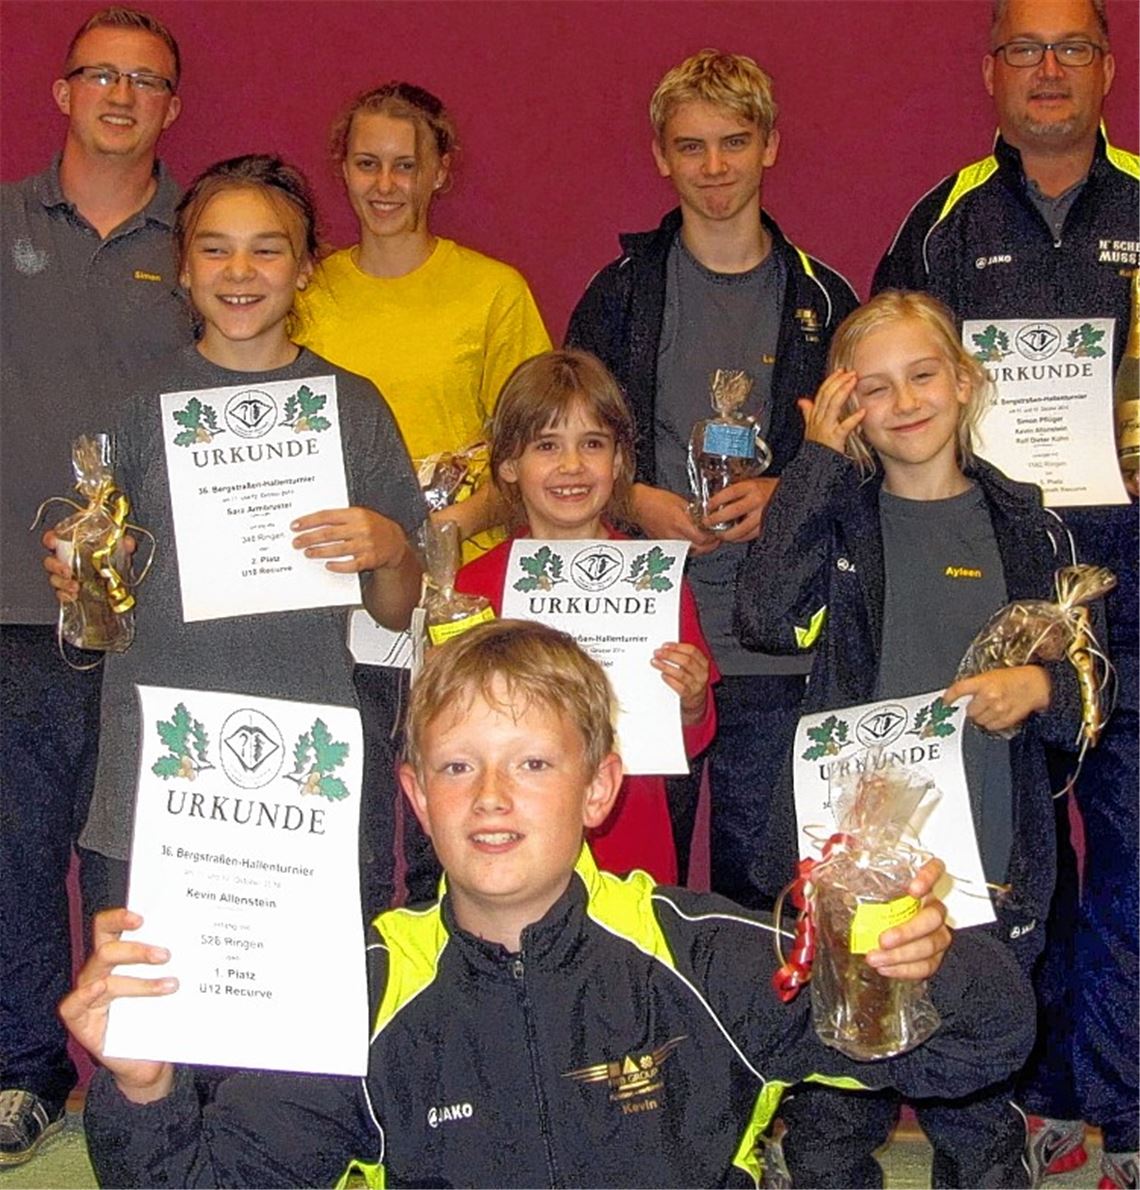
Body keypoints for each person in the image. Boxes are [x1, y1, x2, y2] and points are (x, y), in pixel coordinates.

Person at [63, 619, 1041, 1188]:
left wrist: (938, 957)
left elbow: (975, 1049)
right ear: (415, 796)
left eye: (532, 762)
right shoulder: (357, 997)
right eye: (459, 765)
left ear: (600, 788)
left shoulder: (704, 955)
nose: (492, 795)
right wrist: (141, 1087)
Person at [872, 3, 1138, 1182]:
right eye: (1023, 49)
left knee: (1134, 864)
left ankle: (1123, 1115)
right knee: (1019, 865)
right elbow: (881, 379)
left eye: (1071, 47)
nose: (1048, 70)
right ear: (989, 73)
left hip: (1133, 594)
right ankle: (1028, 1095)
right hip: (986, 594)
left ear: (1107, 67)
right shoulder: (940, 223)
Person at [735, 290, 1084, 1187]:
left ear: (965, 382)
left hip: (986, 863)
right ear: (851, 409)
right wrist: (815, 460)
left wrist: (1042, 684)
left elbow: (1095, 687)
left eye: (923, 375)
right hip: (849, 868)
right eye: (875, 389)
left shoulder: (1031, 527)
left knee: (976, 1117)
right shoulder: (840, 518)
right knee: (832, 1117)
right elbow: (767, 615)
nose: (906, 401)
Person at [41, 154, 424, 962]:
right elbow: (99, 612)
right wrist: (83, 581)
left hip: (301, 764)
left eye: (267, 248)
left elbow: (396, 608)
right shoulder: (133, 407)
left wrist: (390, 546)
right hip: (157, 766)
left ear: (306, 266)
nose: (239, 271)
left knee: (290, 1050)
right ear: (182, 268)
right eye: (215, 249)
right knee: (150, 1042)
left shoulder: (350, 408)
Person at [566, 49, 858, 896]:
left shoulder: (826, 301)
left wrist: (786, 492)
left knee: (764, 893)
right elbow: (565, 445)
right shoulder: (618, 294)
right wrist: (633, 497)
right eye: (691, 147)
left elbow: (865, 463)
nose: (715, 166)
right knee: (625, 888)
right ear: (661, 156)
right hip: (644, 641)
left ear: (770, 145)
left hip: (776, 646)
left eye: (735, 142)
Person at [0, 6, 190, 1165]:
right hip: (15, 611)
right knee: (15, 852)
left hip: (166, 622)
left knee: (144, 861)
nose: (122, 94)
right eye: (101, 75)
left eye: (148, 80)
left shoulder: (209, 231)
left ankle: (142, 1076)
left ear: (172, 106)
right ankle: (20, 1072)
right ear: (63, 92)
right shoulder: (4, 222)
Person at [294, 81, 552, 904]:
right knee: (356, 830)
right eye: (367, 163)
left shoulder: (493, 292)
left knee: (463, 832)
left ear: (441, 171)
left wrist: (451, 525)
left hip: (462, 605)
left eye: (406, 165)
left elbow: (533, 452)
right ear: (340, 167)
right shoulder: (309, 294)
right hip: (336, 602)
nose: (385, 184)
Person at [454, 349, 718, 882]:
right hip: (508, 840)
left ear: (619, 460)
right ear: (508, 463)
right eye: (546, 446)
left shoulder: (656, 581)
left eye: (592, 444)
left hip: (629, 835)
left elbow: (690, 739)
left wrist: (691, 700)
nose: (571, 466)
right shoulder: (473, 590)